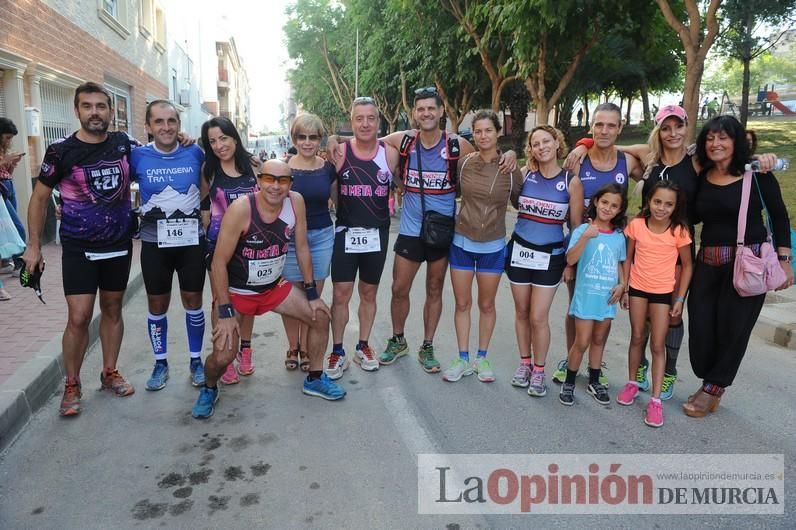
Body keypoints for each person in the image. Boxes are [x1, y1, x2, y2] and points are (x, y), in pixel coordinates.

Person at [328, 87, 516, 374]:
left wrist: (511, 152)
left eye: (432, 108)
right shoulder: (404, 141)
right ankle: (398, 339)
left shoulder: (457, 146)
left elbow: (487, 154)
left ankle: (427, 346)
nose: (426, 113)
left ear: (441, 112)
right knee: (399, 288)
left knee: (433, 289)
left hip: (442, 232)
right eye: (421, 109)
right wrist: (333, 138)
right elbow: (365, 138)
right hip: (411, 230)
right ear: (414, 113)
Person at [192, 160, 345, 419]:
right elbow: (218, 262)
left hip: (273, 288)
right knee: (223, 355)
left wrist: (311, 293)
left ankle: (315, 378)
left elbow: (303, 247)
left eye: (282, 180)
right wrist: (225, 311)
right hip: (238, 293)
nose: (275, 186)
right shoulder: (241, 209)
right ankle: (208, 388)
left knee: (320, 316)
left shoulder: (295, 202)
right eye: (269, 179)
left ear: (290, 184)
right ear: (259, 181)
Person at [22, 82, 139, 416]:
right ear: (77, 110)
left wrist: (185, 141)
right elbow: (40, 198)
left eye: (101, 106)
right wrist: (34, 246)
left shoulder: (124, 144)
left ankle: (109, 371)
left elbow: (159, 151)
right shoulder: (60, 151)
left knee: (113, 308)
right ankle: (72, 383)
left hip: (118, 243)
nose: (95, 112)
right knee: (79, 316)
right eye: (87, 106)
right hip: (78, 247)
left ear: (111, 111)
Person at [684, 116, 792, 417]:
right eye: (710, 138)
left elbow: (780, 217)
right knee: (702, 327)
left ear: (736, 141)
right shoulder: (702, 175)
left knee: (734, 330)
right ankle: (709, 379)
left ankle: (713, 387)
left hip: (747, 266)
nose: (716, 144)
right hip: (707, 263)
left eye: (723, 138)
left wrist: (785, 262)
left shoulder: (757, 175)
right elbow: (691, 217)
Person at [552, 102, 641, 386]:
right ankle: (570, 359)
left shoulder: (626, 161)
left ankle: (595, 366)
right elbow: (576, 218)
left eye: (611, 125)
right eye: (598, 125)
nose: (604, 130)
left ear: (620, 127)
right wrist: (573, 260)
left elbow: (654, 154)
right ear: (591, 125)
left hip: (612, 249)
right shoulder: (579, 160)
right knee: (576, 306)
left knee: (604, 308)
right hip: (582, 246)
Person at [130, 100, 208, 391]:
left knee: (193, 301)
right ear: (149, 127)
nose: (166, 127)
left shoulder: (195, 151)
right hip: (154, 243)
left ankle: (196, 360)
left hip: (191, 242)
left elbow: (209, 182)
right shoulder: (137, 156)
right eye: (159, 122)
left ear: (179, 124)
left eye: (171, 121)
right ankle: (160, 363)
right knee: (157, 304)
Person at [442, 110, 523, 383]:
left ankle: (482, 358)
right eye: (478, 131)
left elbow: (521, 203)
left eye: (488, 130)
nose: (483, 136)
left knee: (486, 305)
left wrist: (512, 155)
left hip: (493, 246)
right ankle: (462, 358)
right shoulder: (463, 163)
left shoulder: (510, 170)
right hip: (461, 242)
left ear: (498, 132)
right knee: (462, 303)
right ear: (473, 134)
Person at [322, 97, 399, 378]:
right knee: (341, 294)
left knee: (369, 293)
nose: (365, 123)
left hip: (377, 235)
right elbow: (330, 192)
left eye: (371, 118)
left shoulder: (389, 154)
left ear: (378, 122)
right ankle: (338, 350)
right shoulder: (339, 152)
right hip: (346, 234)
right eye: (359, 118)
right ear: (351, 122)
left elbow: (414, 136)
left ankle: (363, 345)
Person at [507, 126, 583, 392]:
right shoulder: (526, 175)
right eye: (536, 143)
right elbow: (514, 201)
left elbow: (576, 227)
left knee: (539, 316)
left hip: (550, 256)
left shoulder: (571, 180)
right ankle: (524, 363)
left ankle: (539, 370)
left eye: (546, 141)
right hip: (519, 251)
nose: (542, 147)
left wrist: (571, 264)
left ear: (557, 143)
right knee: (521, 312)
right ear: (532, 149)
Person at [617, 180, 692, 427]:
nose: (661, 208)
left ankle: (656, 401)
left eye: (668, 204)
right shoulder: (637, 225)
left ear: (675, 207)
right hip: (637, 289)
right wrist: (625, 287)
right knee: (637, 337)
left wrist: (680, 298)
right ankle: (632, 384)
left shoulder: (679, 231)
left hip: (662, 293)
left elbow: (688, 266)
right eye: (657, 201)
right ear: (649, 200)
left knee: (658, 345)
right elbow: (627, 258)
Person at [202, 117, 260, 385]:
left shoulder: (255, 168)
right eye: (212, 141)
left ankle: (245, 349)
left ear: (235, 138)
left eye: (223, 138)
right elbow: (204, 206)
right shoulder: (208, 171)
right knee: (220, 300)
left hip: (251, 247)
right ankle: (223, 353)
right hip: (219, 249)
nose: (219, 145)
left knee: (247, 302)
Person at [558, 184, 627, 406]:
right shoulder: (582, 230)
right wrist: (586, 236)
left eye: (614, 206)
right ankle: (569, 380)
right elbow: (570, 260)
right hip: (586, 297)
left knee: (598, 340)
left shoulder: (618, 236)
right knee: (582, 341)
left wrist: (623, 284)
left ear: (619, 210)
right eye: (605, 202)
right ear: (596, 201)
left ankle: (594, 380)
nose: (608, 208)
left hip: (607, 298)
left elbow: (620, 263)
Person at [280, 114, 336, 372]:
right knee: (293, 299)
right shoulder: (284, 169)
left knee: (313, 297)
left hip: (322, 237)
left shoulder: (327, 168)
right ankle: (293, 346)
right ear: (294, 139)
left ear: (320, 139)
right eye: (301, 137)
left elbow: (336, 199)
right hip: (291, 240)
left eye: (313, 137)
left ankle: (305, 346)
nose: (307, 142)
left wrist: (337, 137)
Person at [0, 117, 26, 276]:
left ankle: (7, 261)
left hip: (8, 185)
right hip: (1, 189)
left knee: (10, 227)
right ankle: (19, 263)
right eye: (7, 137)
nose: (9, 141)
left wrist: (11, 165)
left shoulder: (3, 150)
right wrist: (5, 161)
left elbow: (7, 174)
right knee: (17, 227)